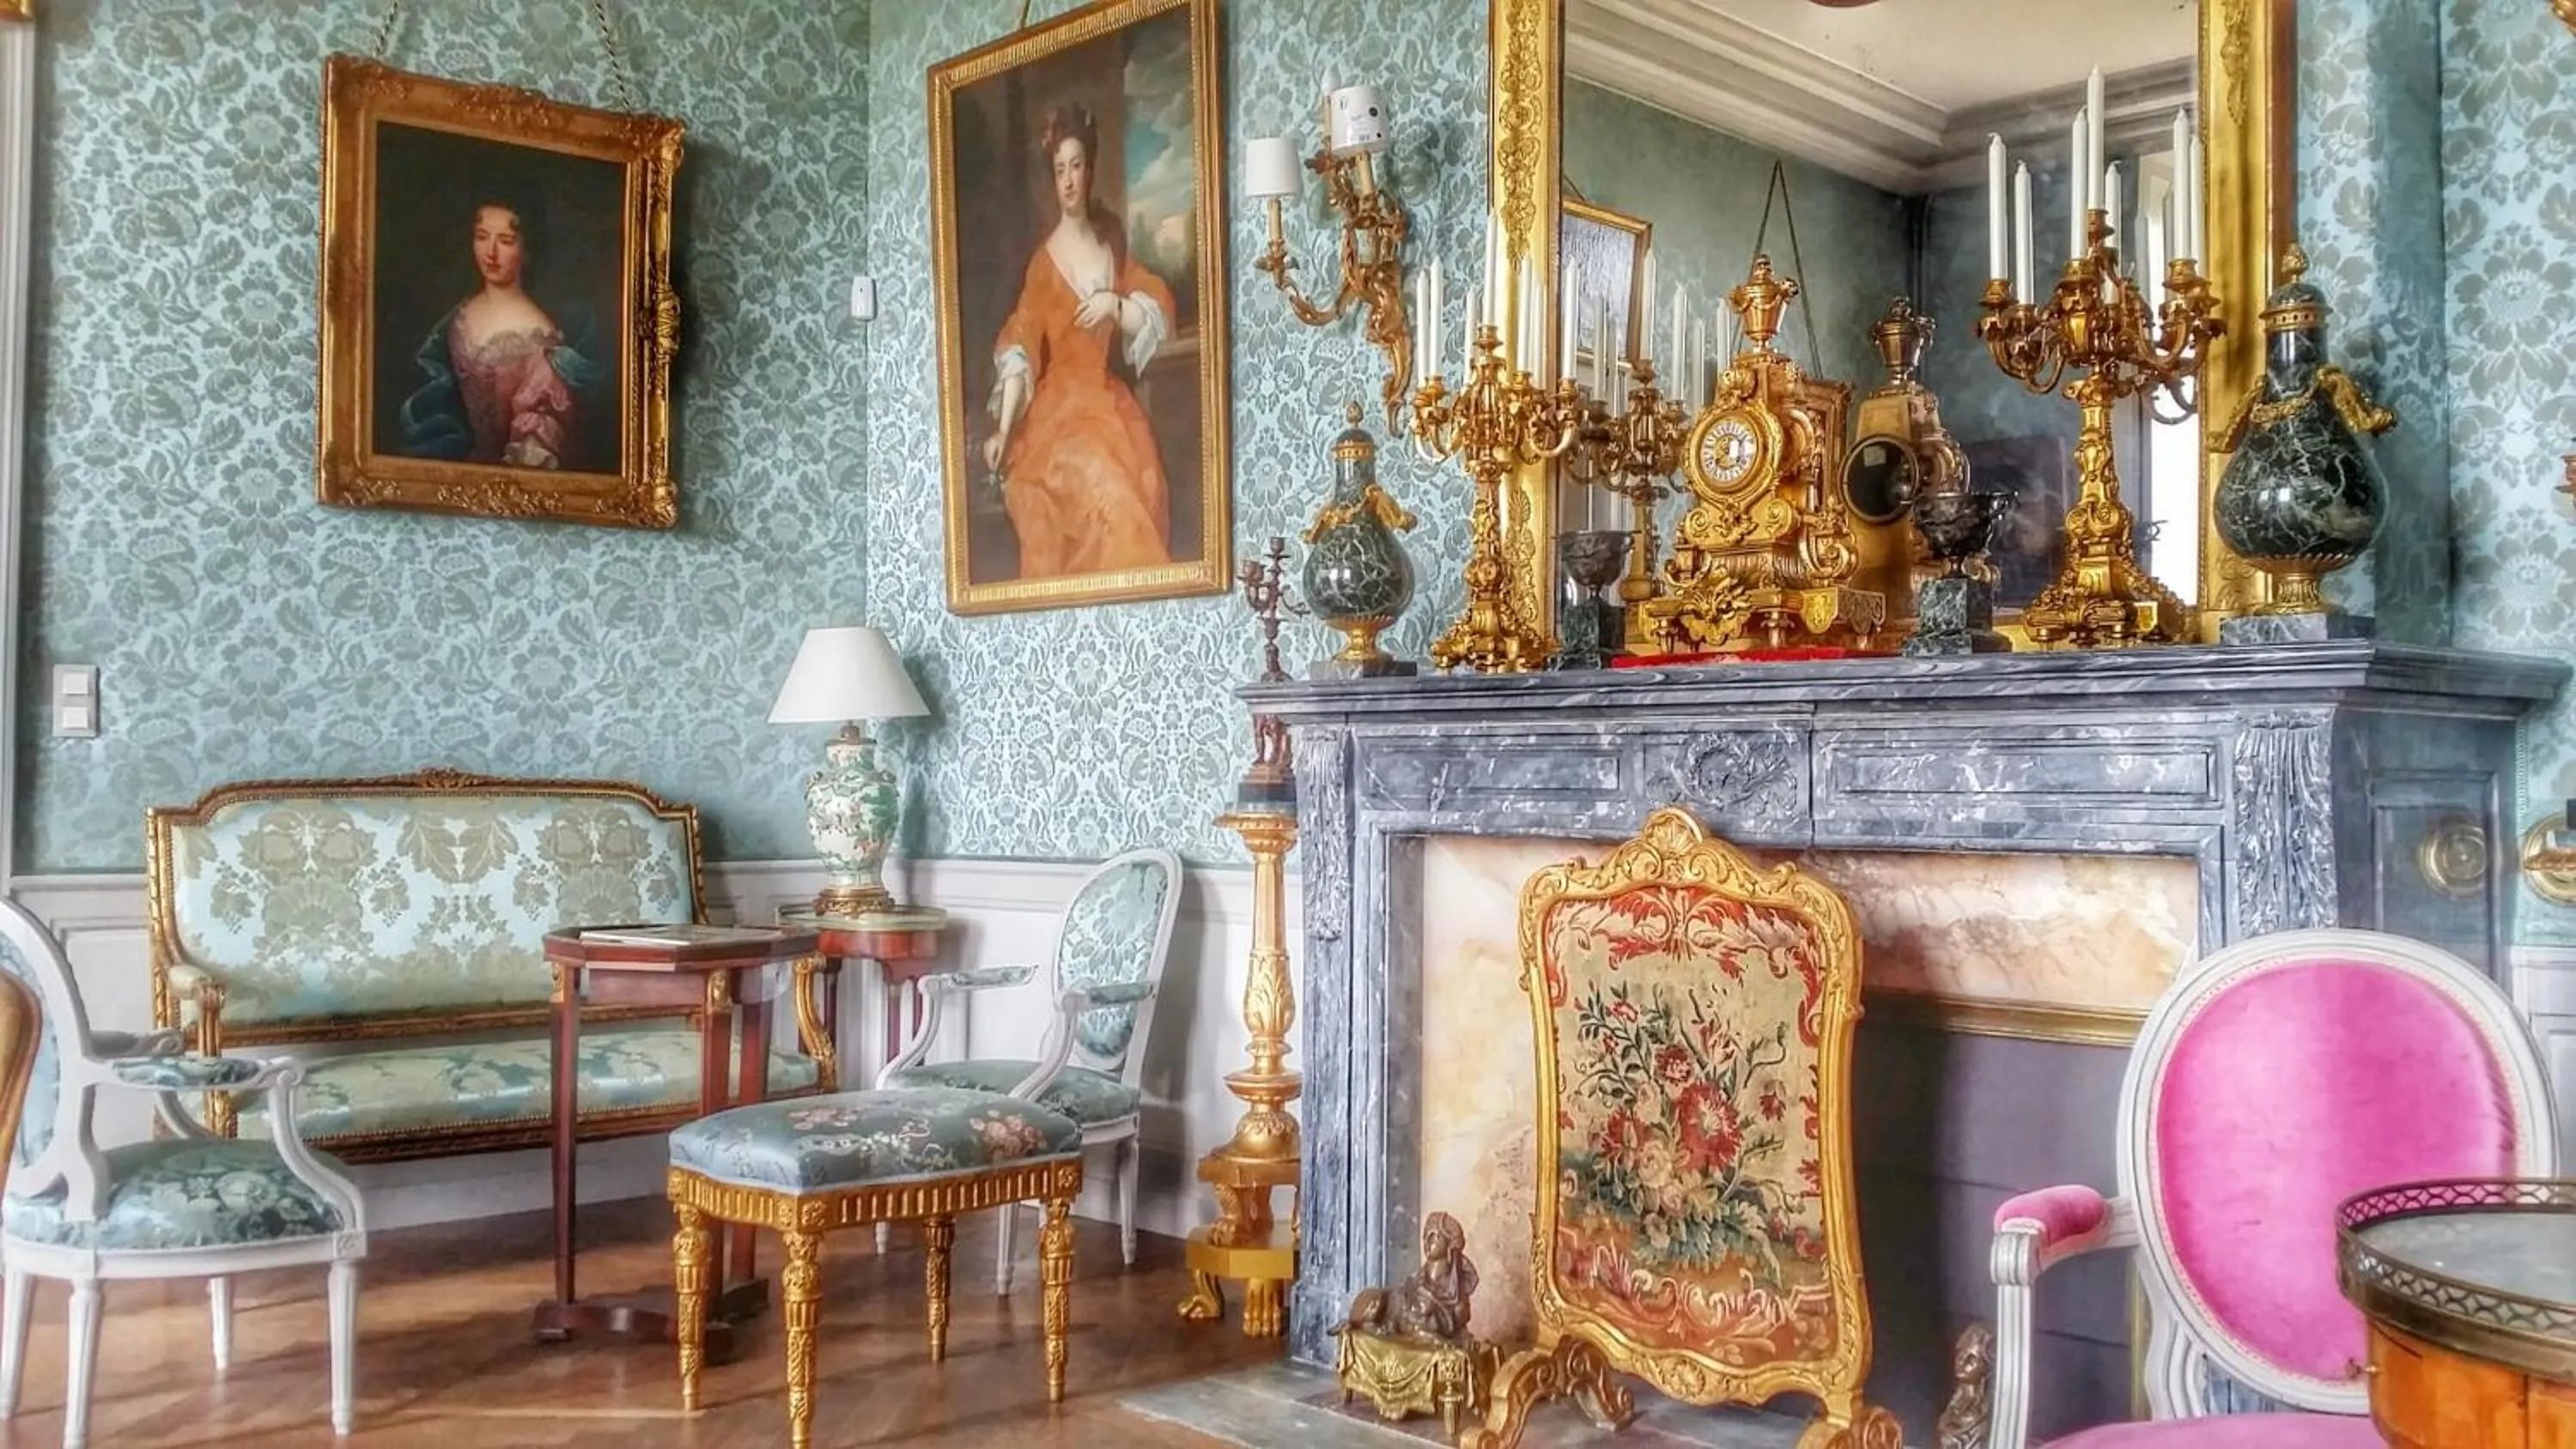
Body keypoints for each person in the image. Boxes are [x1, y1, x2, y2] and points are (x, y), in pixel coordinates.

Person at [981, 104, 1178, 578]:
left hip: (1109, 406)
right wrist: (1005, 432)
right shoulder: (1044, 263)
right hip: (1061, 417)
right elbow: (1020, 346)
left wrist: (1115, 304)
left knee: (1141, 491)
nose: (1068, 180)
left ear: (1090, 171)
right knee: (1109, 494)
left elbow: (1154, 307)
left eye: (1076, 166)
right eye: (1059, 170)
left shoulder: (1113, 251)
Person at [398, 195, 607, 470]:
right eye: (482, 237)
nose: (490, 253)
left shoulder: (538, 334)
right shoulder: (459, 316)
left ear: (527, 249)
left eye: (506, 241)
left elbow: (536, 441)